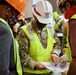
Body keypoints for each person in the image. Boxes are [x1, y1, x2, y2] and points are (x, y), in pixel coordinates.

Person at [16, 0, 61, 75]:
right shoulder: (24, 31)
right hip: (31, 73)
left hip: (49, 72)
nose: (44, 24)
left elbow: (57, 44)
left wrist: (55, 53)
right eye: (42, 22)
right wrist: (35, 65)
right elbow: (22, 54)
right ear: (34, 16)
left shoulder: (50, 28)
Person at [0, 0, 26, 75]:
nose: (14, 19)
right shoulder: (4, 30)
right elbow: (2, 70)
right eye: (15, 15)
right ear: (8, 11)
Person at [57, 0, 76, 75]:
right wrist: (67, 56)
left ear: (67, 6)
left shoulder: (74, 21)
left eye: (63, 11)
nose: (64, 15)